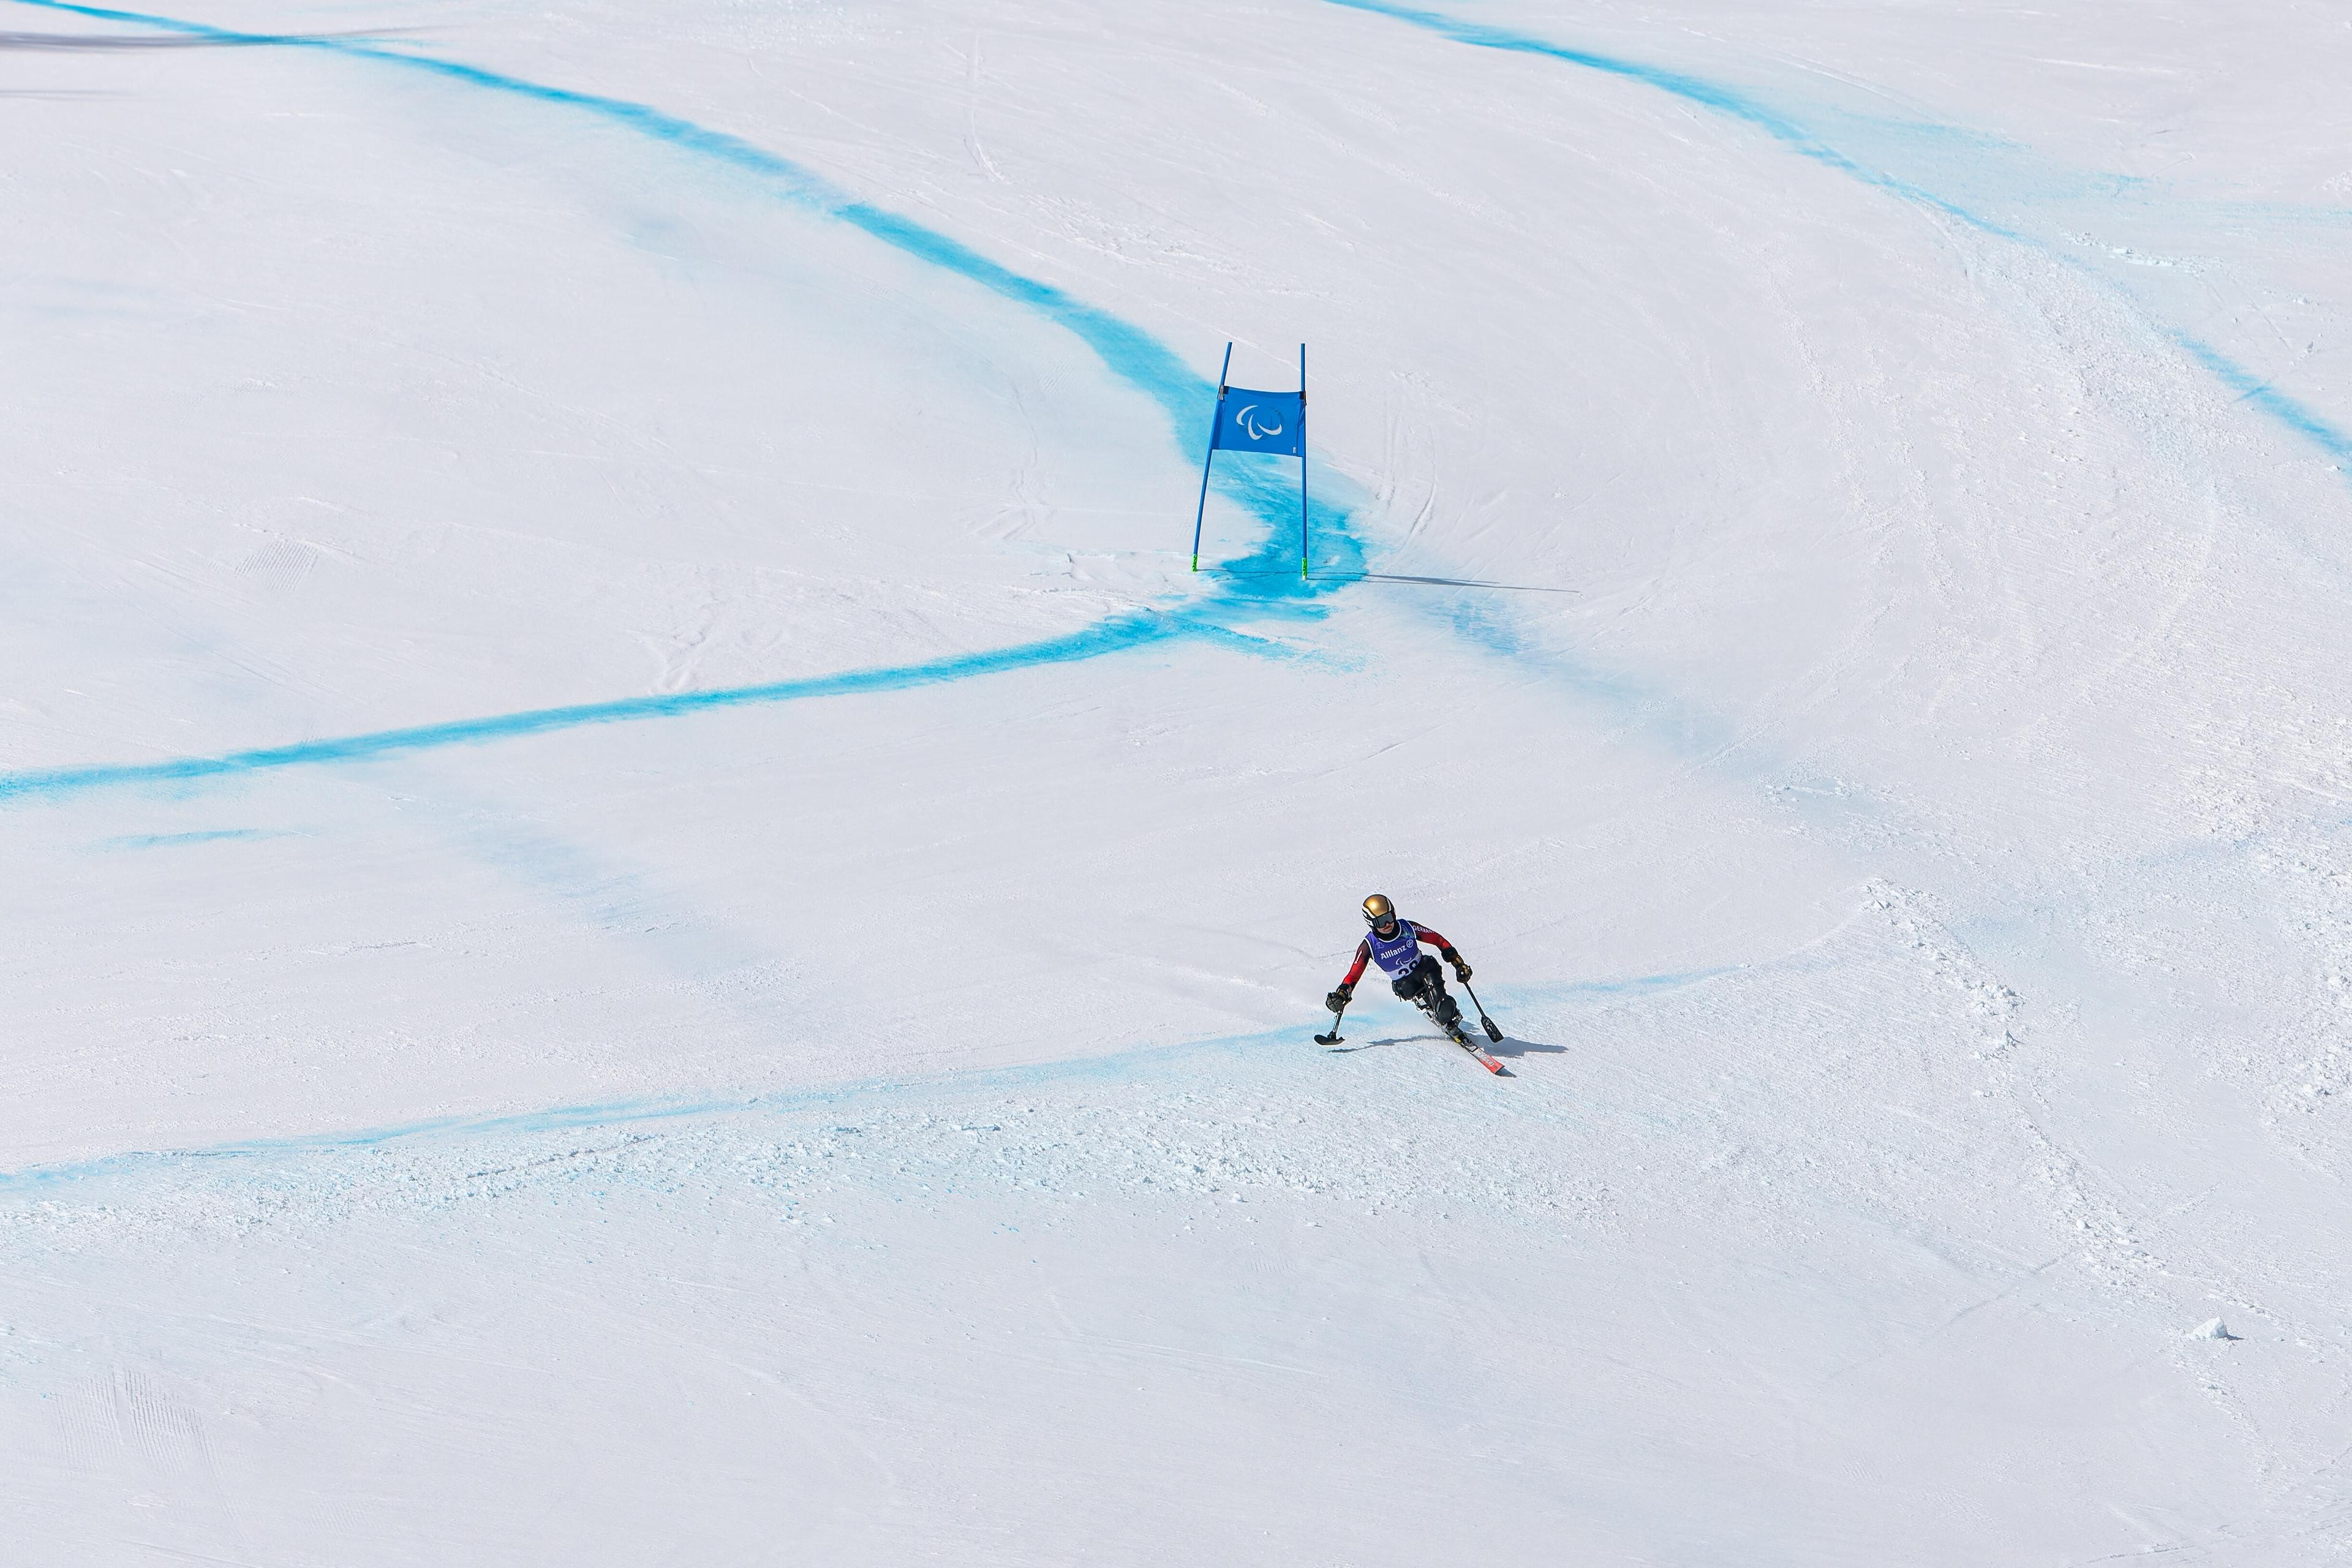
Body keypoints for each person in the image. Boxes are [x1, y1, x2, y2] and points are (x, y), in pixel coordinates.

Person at [1326, 894, 1473, 1037]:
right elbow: (1353, 975)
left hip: (1425, 968)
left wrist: (1458, 963)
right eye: (1381, 922)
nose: (1387, 924)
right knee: (1410, 989)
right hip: (1404, 983)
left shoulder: (1407, 928)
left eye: (1389, 918)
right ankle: (1437, 1010)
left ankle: (1445, 1010)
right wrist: (1341, 994)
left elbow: (1437, 939)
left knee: (1435, 988)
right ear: (1371, 923)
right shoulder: (1369, 946)